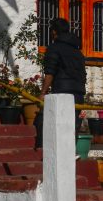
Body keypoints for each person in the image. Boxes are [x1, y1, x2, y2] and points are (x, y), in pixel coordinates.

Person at [36, 17, 86, 146]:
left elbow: (50, 72)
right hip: (79, 94)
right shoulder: (78, 52)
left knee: (57, 126)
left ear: (54, 32)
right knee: (72, 128)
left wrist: (43, 92)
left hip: (62, 92)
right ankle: (71, 153)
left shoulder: (54, 48)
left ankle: (47, 151)